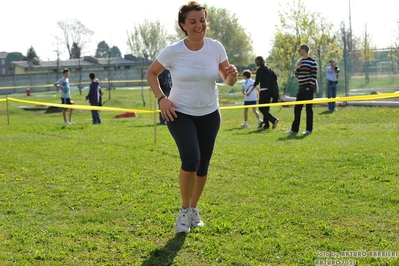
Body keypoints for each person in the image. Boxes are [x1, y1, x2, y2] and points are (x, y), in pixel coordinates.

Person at [146, 1, 238, 233]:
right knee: (191, 159)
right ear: (183, 25)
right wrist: (162, 98)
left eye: (202, 20)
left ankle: (193, 209)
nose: (199, 25)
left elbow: (227, 80)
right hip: (179, 112)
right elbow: (152, 73)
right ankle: (183, 210)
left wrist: (232, 76)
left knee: (203, 164)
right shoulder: (173, 51)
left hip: (209, 113)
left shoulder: (216, 47)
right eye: (193, 21)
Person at [285, 44, 318, 135]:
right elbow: (297, 75)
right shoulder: (300, 61)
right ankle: (294, 129)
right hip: (301, 87)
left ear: (304, 50)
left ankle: (308, 129)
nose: (299, 52)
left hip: (308, 88)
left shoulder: (312, 61)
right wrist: (298, 68)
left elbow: (314, 75)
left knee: (308, 109)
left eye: (300, 50)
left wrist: (310, 87)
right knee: (297, 108)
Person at [251, 56, 279, 131]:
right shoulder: (269, 69)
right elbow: (275, 77)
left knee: (261, 108)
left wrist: (250, 90)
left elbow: (256, 82)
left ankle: (274, 120)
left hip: (264, 90)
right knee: (266, 108)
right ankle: (266, 125)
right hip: (270, 91)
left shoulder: (260, 70)